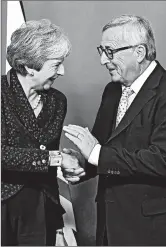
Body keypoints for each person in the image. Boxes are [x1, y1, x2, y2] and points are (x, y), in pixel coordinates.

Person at [63, 15, 166, 245]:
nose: (102, 60)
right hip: (107, 228)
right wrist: (80, 165)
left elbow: (162, 160)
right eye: (101, 50)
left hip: (148, 231)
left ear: (139, 52)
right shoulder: (112, 91)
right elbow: (102, 150)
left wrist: (96, 154)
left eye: (109, 52)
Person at [1, 19, 85, 246]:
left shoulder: (57, 101)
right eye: (56, 64)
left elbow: (47, 173)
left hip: (42, 209)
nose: (63, 71)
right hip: (4, 209)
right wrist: (55, 158)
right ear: (30, 66)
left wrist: (57, 224)